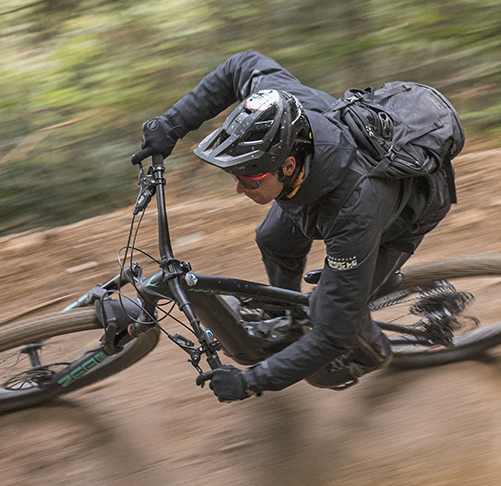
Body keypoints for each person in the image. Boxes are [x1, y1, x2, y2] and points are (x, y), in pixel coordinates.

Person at [132, 50, 461, 402]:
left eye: (249, 179)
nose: (239, 188)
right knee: (272, 238)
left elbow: (333, 334)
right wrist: (170, 125)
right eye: (234, 175)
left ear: (287, 165)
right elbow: (240, 65)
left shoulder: (352, 211)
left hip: (403, 209)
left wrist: (251, 381)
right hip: (319, 188)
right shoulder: (288, 110)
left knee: (327, 312)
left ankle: (375, 353)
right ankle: (284, 320)